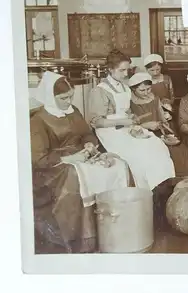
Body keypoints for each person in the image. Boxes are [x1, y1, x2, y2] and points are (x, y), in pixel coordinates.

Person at [30, 71, 131, 253]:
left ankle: (117, 226)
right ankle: (82, 238)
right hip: (54, 168)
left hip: (81, 155)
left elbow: (86, 133)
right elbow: (39, 159)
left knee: (119, 164)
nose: (69, 102)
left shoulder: (73, 111)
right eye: (63, 98)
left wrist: (90, 144)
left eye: (71, 97)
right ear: (49, 97)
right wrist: (70, 159)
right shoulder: (38, 121)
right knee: (75, 174)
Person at [87, 49, 176, 193]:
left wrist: (133, 120)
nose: (125, 74)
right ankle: (143, 191)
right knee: (139, 153)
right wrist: (124, 122)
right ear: (110, 69)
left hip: (126, 127)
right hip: (109, 132)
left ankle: (160, 188)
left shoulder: (124, 87)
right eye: (122, 70)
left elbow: (127, 111)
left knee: (156, 145)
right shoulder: (100, 91)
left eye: (127, 70)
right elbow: (96, 122)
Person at [129, 72, 188, 179]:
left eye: (149, 89)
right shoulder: (129, 103)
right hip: (141, 135)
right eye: (142, 90)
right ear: (133, 89)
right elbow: (130, 125)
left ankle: (185, 181)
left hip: (160, 131)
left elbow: (162, 118)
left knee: (181, 150)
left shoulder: (154, 98)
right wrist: (145, 126)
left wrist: (165, 118)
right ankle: (168, 181)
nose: (146, 93)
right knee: (161, 152)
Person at [143, 54, 176, 121]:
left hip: (166, 107)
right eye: (152, 70)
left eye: (157, 69)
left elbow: (172, 95)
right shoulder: (144, 81)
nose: (155, 73)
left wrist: (169, 102)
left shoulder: (167, 79)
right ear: (146, 69)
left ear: (161, 67)